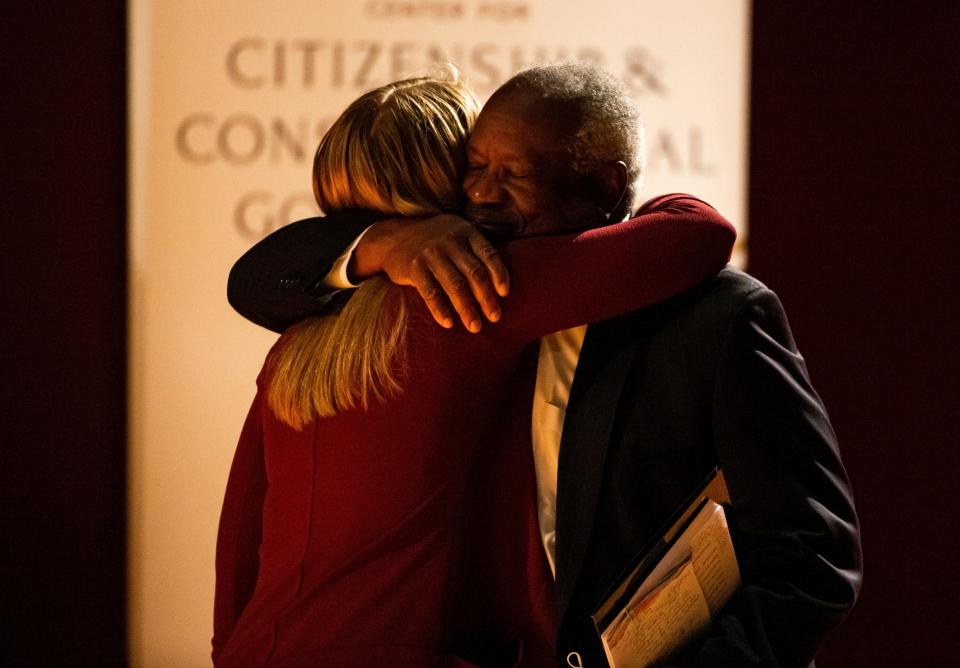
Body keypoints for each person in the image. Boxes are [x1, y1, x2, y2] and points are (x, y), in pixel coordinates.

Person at [214, 71, 736, 666]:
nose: (486, 192)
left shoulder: (294, 347)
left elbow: (237, 549)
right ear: (446, 187)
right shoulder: (473, 297)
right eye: (475, 166)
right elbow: (699, 235)